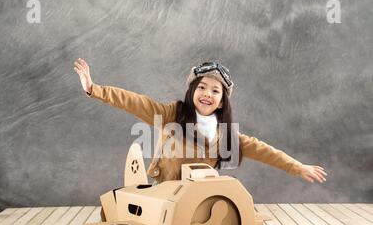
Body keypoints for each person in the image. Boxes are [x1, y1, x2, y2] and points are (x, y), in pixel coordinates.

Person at [74, 58, 327, 184]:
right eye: (202, 87)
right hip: (167, 192)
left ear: (222, 101)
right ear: (192, 91)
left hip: (198, 196)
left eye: (215, 91)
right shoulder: (174, 114)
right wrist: (94, 88)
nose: (207, 93)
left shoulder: (226, 135)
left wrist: (297, 167)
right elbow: (136, 102)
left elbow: (265, 151)